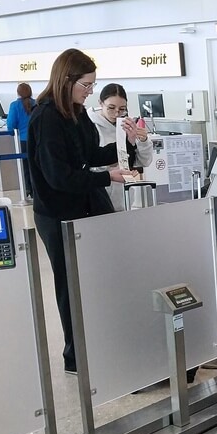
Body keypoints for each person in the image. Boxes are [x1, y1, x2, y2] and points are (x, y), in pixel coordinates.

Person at [28, 48, 139, 374]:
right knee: (70, 283)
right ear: (67, 80)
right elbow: (58, 176)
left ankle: (104, 342)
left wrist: (126, 143)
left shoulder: (76, 113)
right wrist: (108, 176)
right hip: (59, 213)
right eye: (86, 85)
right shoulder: (46, 118)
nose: (90, 91)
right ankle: (75, 356)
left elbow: (92, 152)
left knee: (99, 277)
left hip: (88, 206)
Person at [87, 83, 153, 212]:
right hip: (98, 196)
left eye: (122, 109)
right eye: (111, 108)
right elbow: (90, 162)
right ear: (100, 103)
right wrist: (113, 170)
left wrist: (143, 141)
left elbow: (144, 161)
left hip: (124, 197)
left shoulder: (127, 125)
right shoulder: (90, 126)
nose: (117, 113)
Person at [6, 82, 35, 199]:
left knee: (25, 168)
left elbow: (10, 125)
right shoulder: (37, 103)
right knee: (36, 166)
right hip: (37, 141)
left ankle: (27, 189)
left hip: (22, 141)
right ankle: (36, 191)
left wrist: (12, 132)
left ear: (18, 93)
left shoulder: (14, 105)